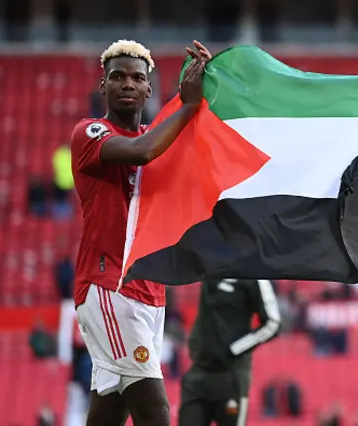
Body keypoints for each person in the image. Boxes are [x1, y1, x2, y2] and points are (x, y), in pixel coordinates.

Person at [71, 39, 212, 426]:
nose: (127, 84)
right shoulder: (90, 132)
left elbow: (199, 151)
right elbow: (142, 153)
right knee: (155, 410)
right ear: (103, 87)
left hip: (151, 291)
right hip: (109, 286)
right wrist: (186, 105)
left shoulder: (157, 134)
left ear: (150, 88)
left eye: (137, 78)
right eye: (117, 77)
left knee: (109, 410)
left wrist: (210, 86)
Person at [179, 278, 281, 426]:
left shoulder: (254, 275)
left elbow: (273, 323)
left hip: (231, 375)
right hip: (198, 371)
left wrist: (235, 348)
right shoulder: (211, 265)